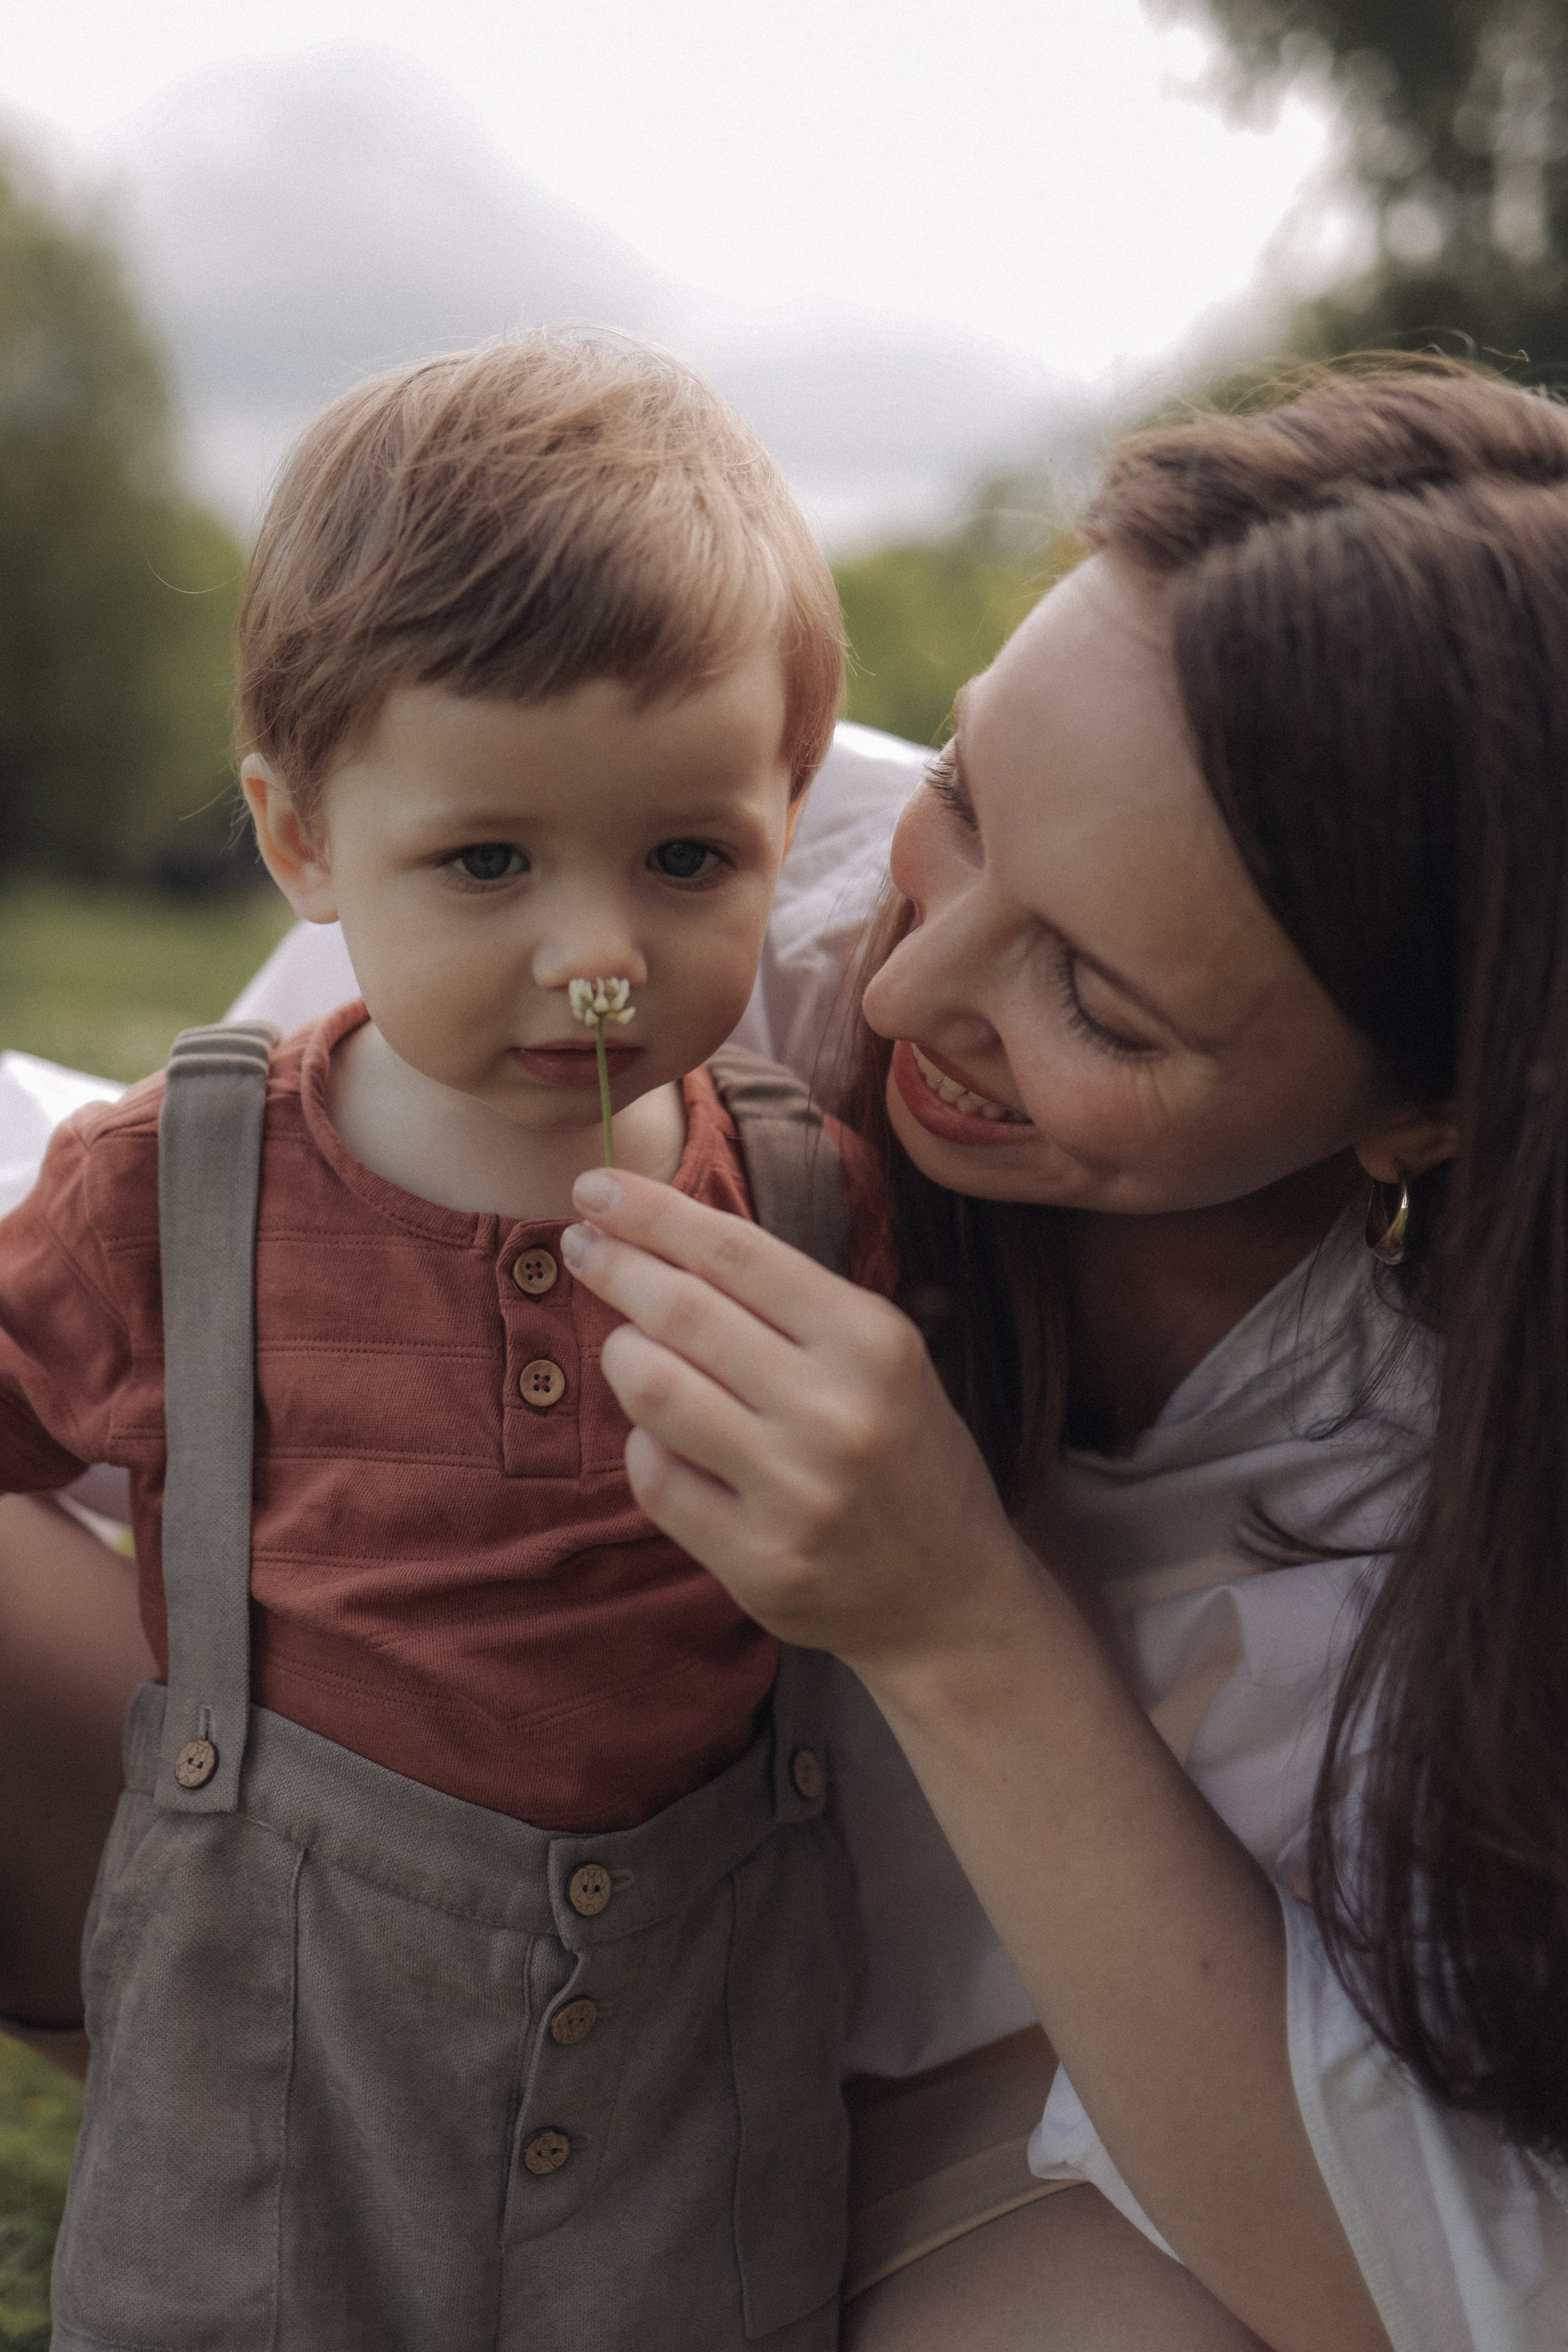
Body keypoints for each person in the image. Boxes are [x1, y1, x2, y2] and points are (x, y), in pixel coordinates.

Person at [548, 362, 1568, 2352]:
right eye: (962, 796)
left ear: (1425, 1115)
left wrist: (951, 1619)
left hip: (948, 2159)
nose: (906, 978)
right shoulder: (673, 865)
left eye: (1096, 995)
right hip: (393, 1954)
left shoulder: (1469, 1477)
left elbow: (1477, 2293)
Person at [0, 332, 898, 2352]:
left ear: (783, 819)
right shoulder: (183, 1187)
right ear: (301, 841)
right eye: (486, 861)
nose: (595, 954)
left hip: (695, 2075)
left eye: (688, 860)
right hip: (264, 2054)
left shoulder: (818, 1203)